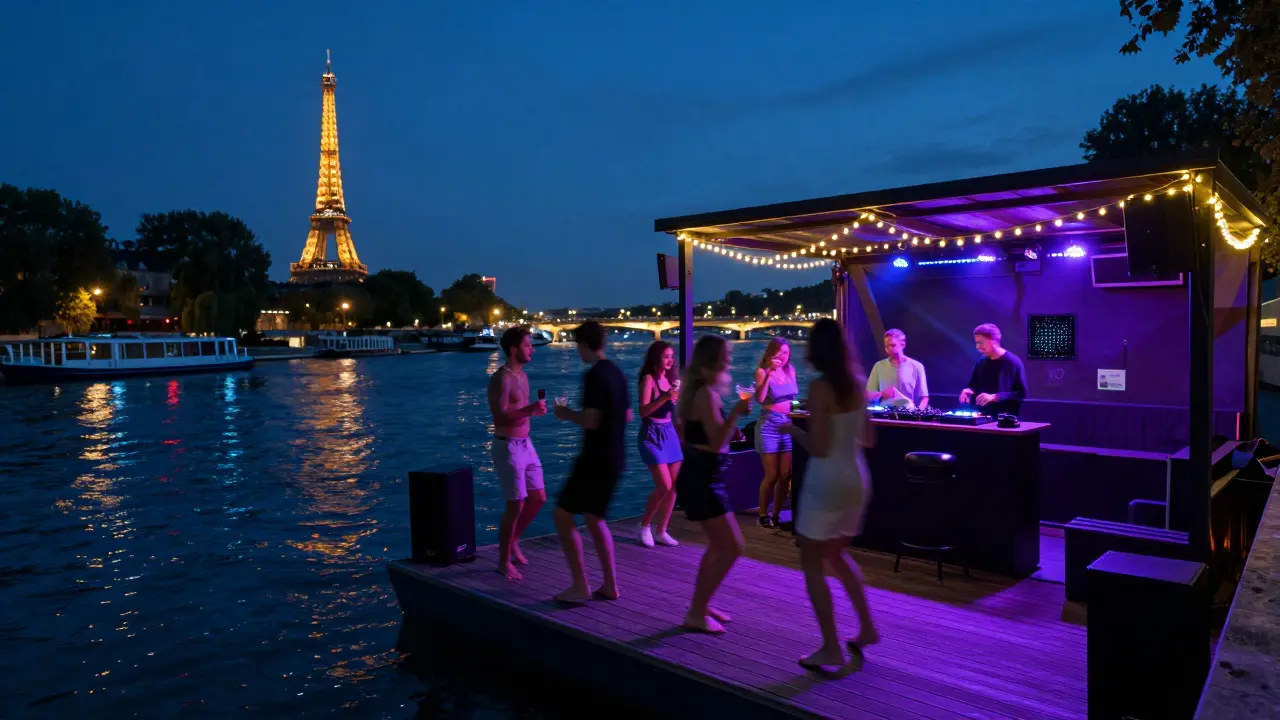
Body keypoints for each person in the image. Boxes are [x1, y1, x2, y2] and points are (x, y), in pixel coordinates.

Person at [782, 318, 880, 671]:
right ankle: (867, 628)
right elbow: (869, 439)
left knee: (812, 563)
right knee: (838, 556)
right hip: (857, 480)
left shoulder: (819, 389)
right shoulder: (857, 384)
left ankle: (831, 648)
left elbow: (820, 448)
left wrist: (793, 428)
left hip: (825, 483)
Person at [552, 321, 632, 604]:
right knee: (594, 518)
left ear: (584, 345)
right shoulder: (617, 373)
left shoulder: (594, 375)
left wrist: (566, 414)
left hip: (595, 458)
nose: (577, 352)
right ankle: (610, 584)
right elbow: (628, 415)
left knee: (562, 514)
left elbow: (591, 419)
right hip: (616, 456)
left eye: (578, 346)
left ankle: (580, 585)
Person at [676, 335, 750, 634]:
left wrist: (728, 429)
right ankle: (694, 612)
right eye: (725, 356)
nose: (729, 361)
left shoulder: (695, 393)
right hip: (704, 478)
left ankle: (701, 604)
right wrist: (736, 414)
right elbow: (718, 440)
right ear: (712, 361)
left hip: (701, 472)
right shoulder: (706, 395)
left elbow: (695, 436)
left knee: (718, 545)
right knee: (733, 547)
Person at [487, 326, 548, 581]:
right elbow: (499, 416)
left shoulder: (523, 376)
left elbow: (524, 409)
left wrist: (533, 411)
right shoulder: (501, 378)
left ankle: (514, 541)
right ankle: (502, 562)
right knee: (516, 504)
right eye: (527, 345)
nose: (532, 348)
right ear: (514, 349)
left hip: (526, 444)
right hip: (508, 445)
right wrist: (529, 411)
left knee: (539, 497)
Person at [636, 340, 683, 548]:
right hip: (652, 433)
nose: (670, 360)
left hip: (669, 432)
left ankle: (662, 530)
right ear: (655, 357)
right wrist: (665, 397)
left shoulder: (671, 380)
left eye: (672, 356)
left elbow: (672, 409)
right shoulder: (648, 379)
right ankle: (645, 525)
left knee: (674, 488)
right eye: (665, 356)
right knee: (663, 485)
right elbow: (643, 411)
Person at [752, 338, 798, 529]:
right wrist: (769, 373)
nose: (783, 357)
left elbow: (793, 396)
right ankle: (763, 514)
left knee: (785, 474)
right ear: (771, 353)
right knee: (771, 475)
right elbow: (760, 399)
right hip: (769, 424)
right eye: (779, 352)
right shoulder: (762, 371)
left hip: (787, 424)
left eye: (786, 353)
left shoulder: (791, 370)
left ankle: (776, 514)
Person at [959, 323, 1028, 416]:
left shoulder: (1013, 362)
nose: (977, 347)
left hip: (1005, 421)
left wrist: (995, 397)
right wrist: (968, 391)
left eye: (981, 342)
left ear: (994, 341)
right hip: (983, 417)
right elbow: (973, 385)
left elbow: (1021, 393)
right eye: (976, 343)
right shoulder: (981, 362)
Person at [865, 328, 929, 409]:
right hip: (885, 416)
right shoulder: (879, 366)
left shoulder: (917, 367)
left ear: (902, 345)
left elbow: (924, 397)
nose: (889, 349)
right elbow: (869, 395)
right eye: (886, 346)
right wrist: (883, 394)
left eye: (892, 345)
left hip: (907, 415)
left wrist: (918, 415)